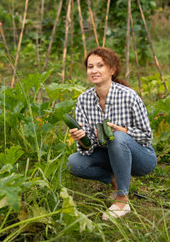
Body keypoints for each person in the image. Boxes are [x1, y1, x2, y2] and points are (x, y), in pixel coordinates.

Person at [67, 47, 157, 218]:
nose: (94, 70)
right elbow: (88, 148)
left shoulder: (128, 96)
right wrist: (81, 139)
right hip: (109, 155)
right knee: (74, 163)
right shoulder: (83, 100)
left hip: (142, 158)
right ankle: (115, 179)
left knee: (116, 137)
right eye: (90, 66)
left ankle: (122, 200)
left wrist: (122, 131)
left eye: (100, 66)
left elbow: (147, 136)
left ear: (112, 70)